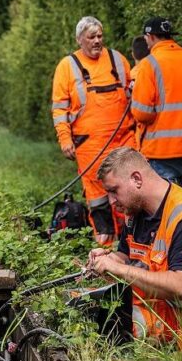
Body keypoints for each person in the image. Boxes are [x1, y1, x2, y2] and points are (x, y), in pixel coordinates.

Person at [88, 147, 182, 343]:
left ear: (136, 179)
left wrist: (118, 269)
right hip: (160, 337)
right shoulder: (135, 213)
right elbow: (127, 255)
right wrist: (111, 258)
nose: (111, 201)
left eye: (113, 191)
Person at [51, 16, 136, 245]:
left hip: (124, 141)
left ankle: (132, 246)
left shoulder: (117, 60)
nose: (97, 41)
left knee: (129, 195)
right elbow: (59, 108)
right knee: (98, 200)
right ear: (80, 40)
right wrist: (64, 138)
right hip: (89, 145)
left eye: (100, 36)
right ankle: (106, 252)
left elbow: (135, 97)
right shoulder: (67, 66)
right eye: (92, 37)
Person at [131, 17, 182, 200]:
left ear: (150, 36)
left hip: (161, 150)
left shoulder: (149, 65)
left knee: (165, 204)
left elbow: (142, 113)